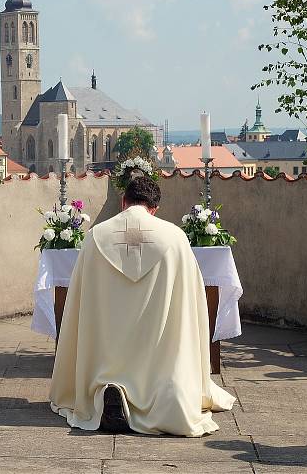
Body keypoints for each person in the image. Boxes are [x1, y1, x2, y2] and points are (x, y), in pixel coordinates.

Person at [49, 177, 235, 436]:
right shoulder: (175, 237)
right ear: (155, 208)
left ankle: (107, 389)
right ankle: (159, 393)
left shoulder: (96, 237)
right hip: (157, 353)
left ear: (123, 202)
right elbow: (191, 301)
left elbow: (79, 301)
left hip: (107, 348)